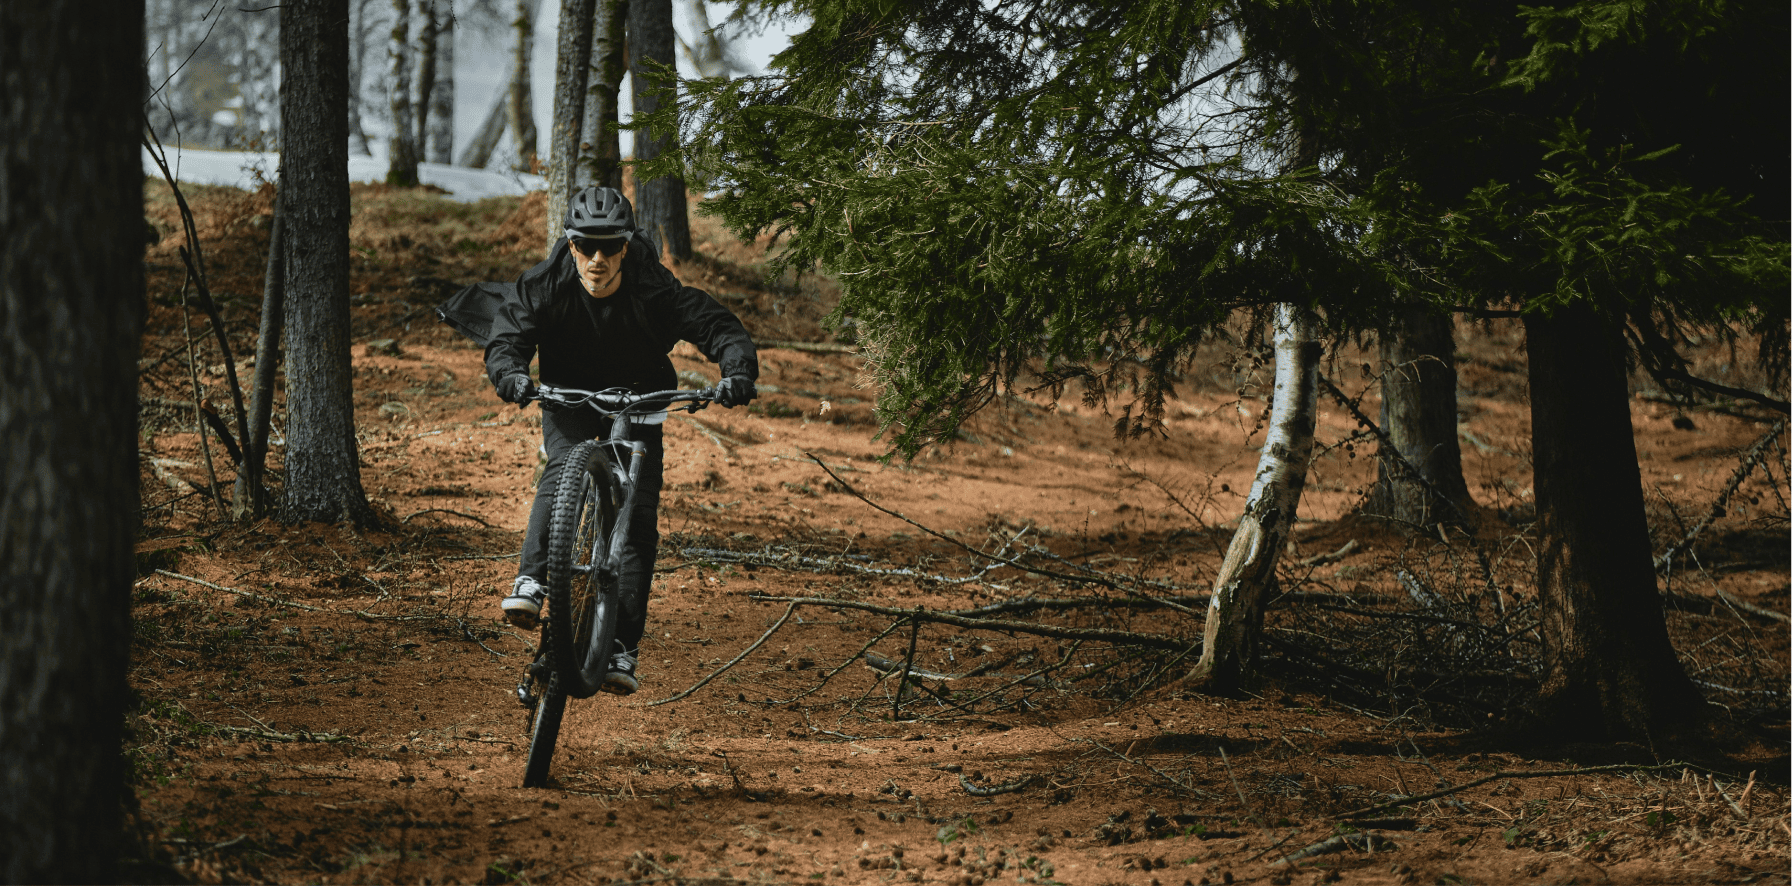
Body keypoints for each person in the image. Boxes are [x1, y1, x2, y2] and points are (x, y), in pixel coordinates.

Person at [485, 186, 758, 695]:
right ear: (569, 246)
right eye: (586, 246)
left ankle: (621, 648)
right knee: (563, 466)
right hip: (568, 398)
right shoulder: (546, 284)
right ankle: (532, 580)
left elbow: (714, 323)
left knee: (637, 522)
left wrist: (737, 370)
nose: (597, 258)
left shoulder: (652, 287)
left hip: (641, 403)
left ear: (626, 246)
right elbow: (507, 338)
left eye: (609, 246)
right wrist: (511, 374)